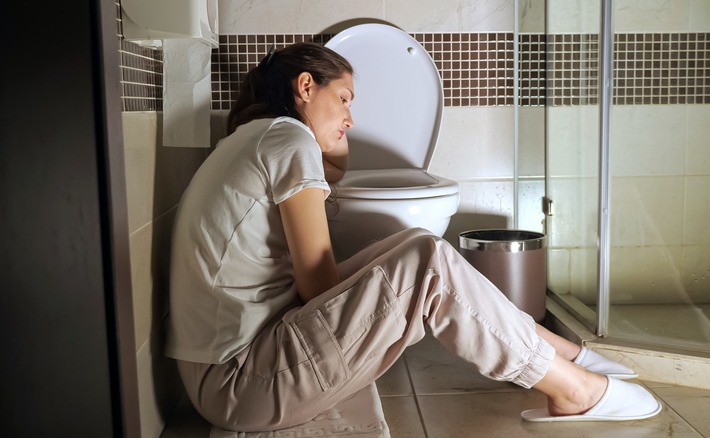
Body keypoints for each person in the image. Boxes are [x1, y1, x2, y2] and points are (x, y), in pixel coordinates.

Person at [165, 42, 661, 433]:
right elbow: (318, 289)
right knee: (424, 260)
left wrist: (330, 142)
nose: (350, 119)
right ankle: (572, 388)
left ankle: (564, 355)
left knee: (417, 246)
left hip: (229, 373)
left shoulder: (259, 138)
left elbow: (328, 214)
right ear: (304, 86)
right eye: (343, 99)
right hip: (240, 382)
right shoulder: (287, 139)